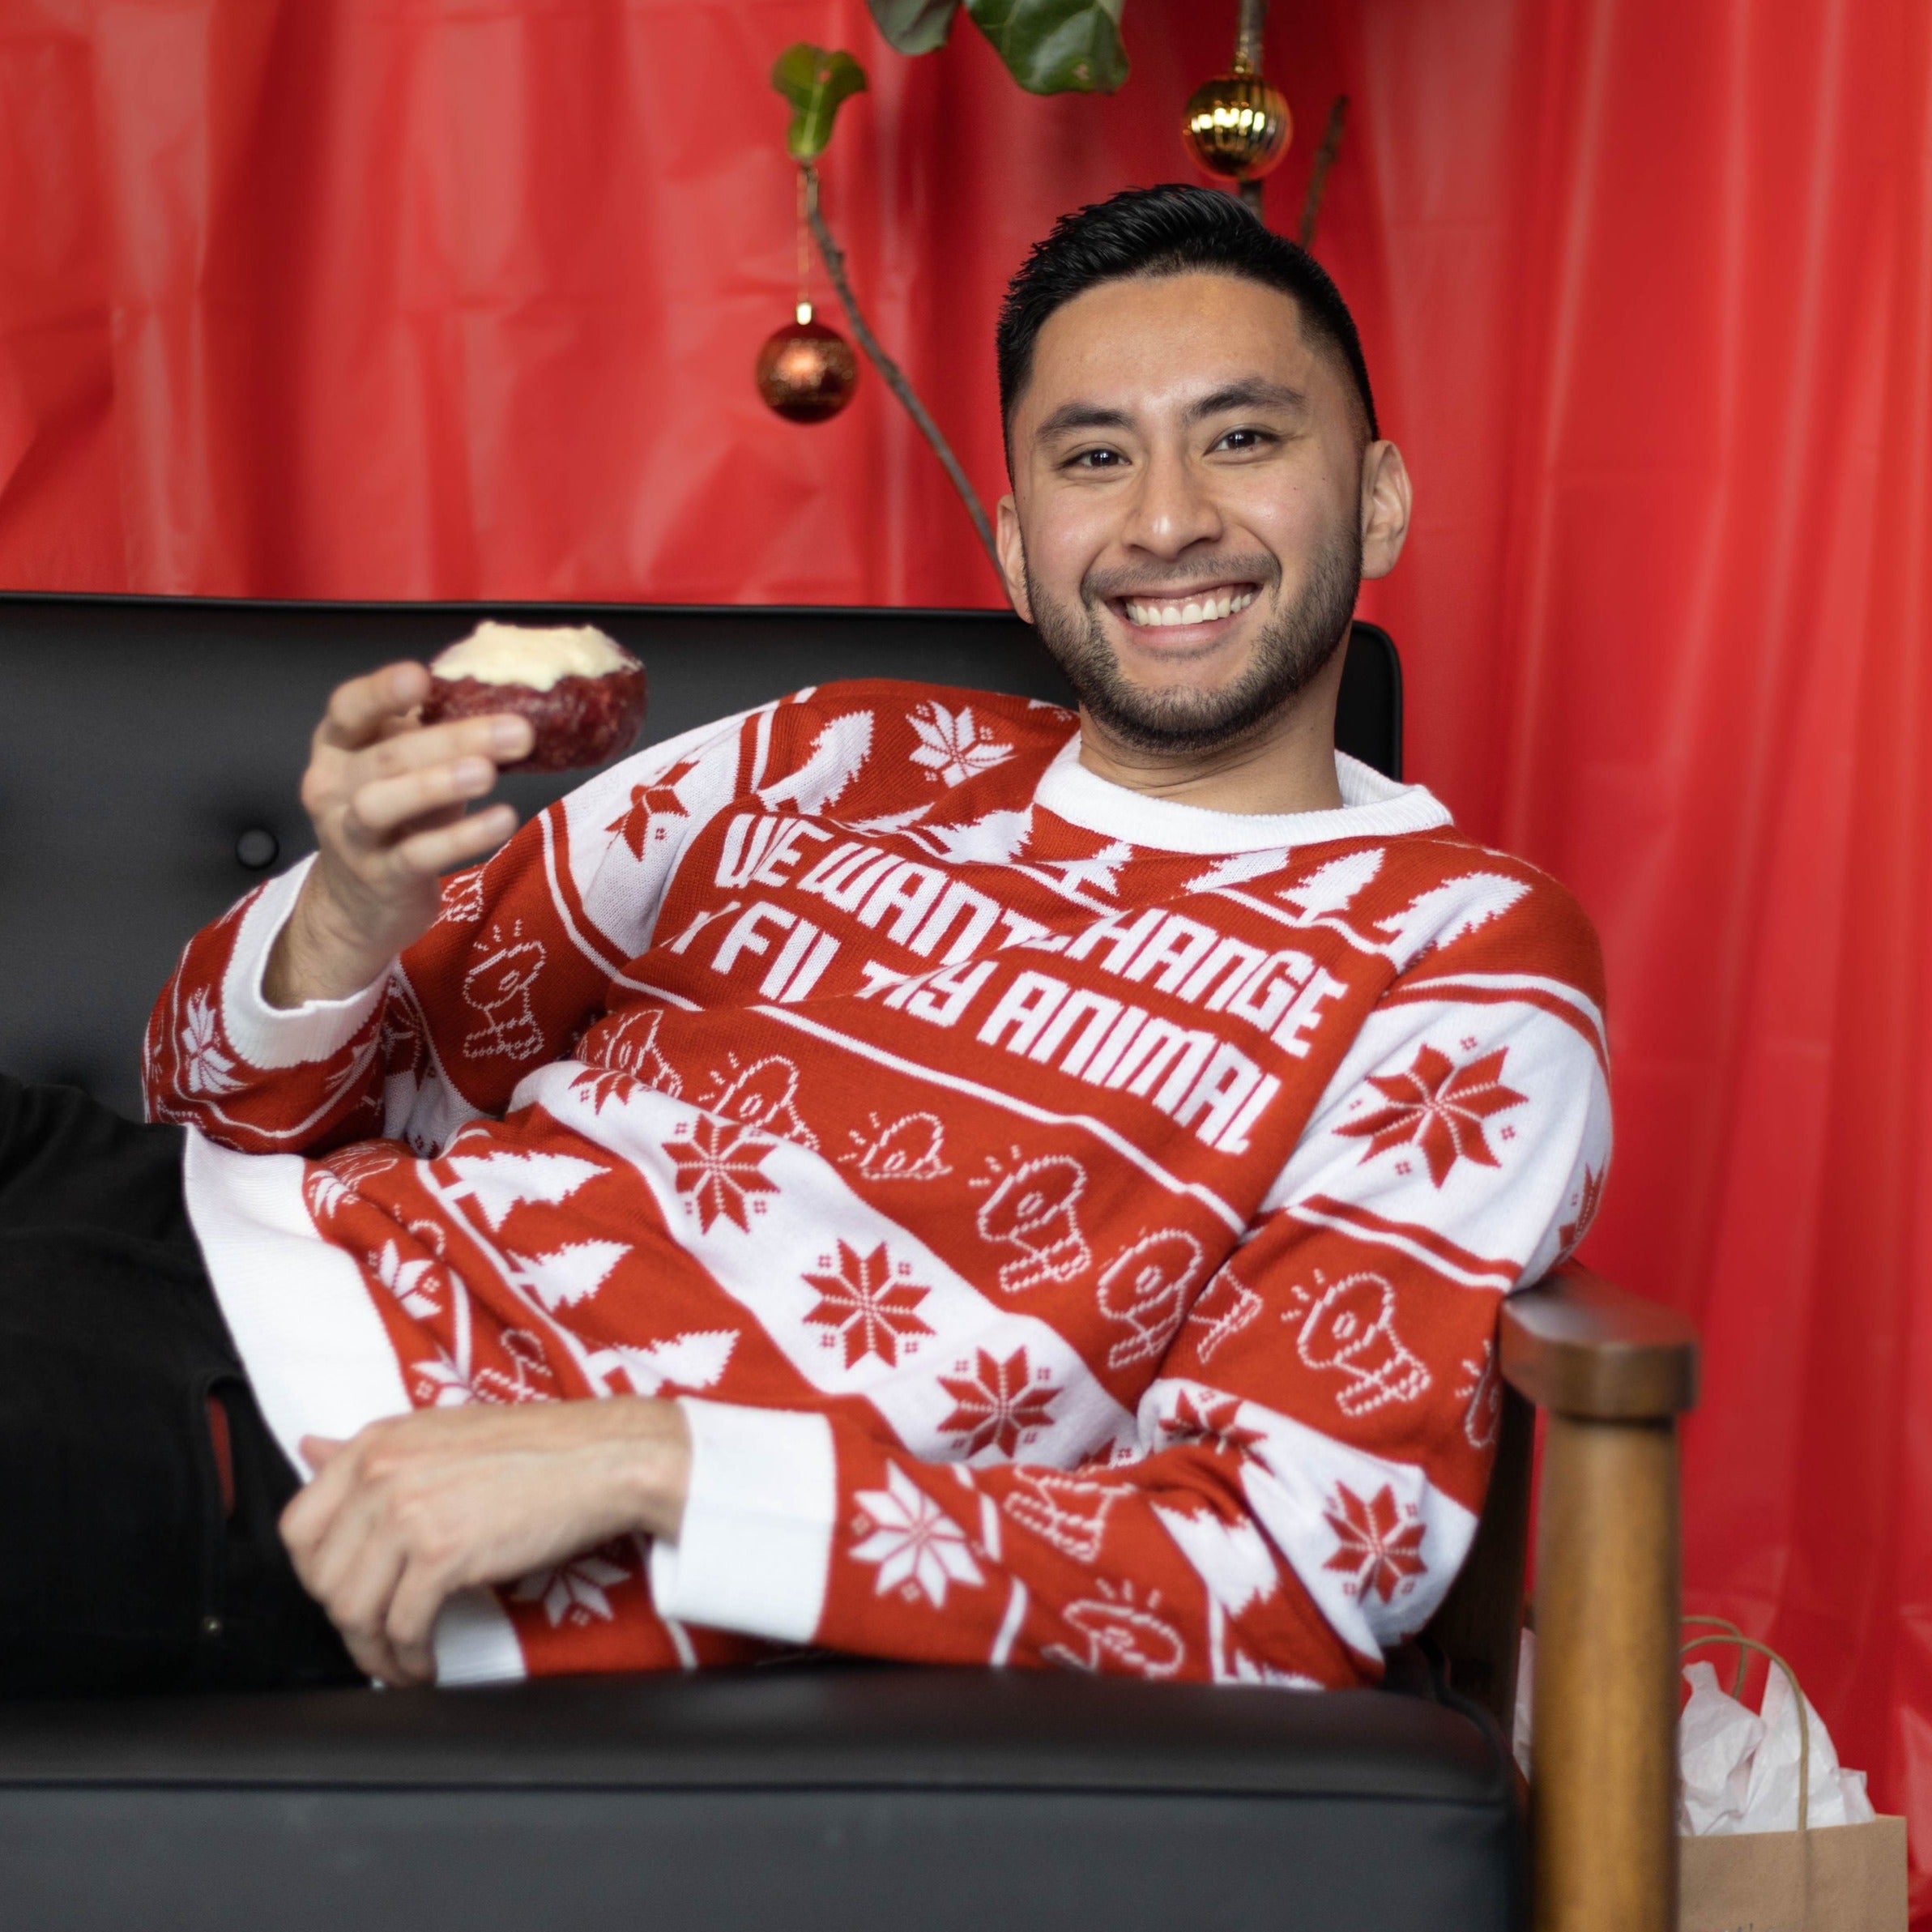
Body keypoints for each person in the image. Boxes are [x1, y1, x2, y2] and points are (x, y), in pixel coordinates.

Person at [4, 184, 1609, 1697]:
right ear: (1012, 539)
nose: (1166, 519)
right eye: (1092, 456)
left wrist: (654, 1456)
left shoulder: (1459, 963)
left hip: (319, 1441)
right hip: (157, 1210)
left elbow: (1285, 1564)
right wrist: (348, 911)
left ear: (1379, 495)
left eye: (1241, 436)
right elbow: (205, 1090)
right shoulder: (842, 751)